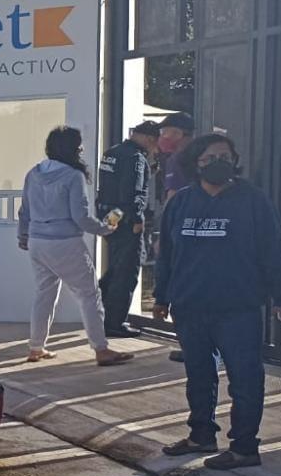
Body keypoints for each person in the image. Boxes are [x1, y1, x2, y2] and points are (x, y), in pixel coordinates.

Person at [154, 134, 281, 470]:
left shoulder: (253, 200)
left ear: (234, 160)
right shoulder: (180, 203)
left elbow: (273, 252)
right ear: (196, 164)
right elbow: (167, 256)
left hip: (237, 308)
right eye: (210, 158)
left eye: (224, 156)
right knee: (199, 375)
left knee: (245, 378)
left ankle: (244, 447)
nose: (218, 163)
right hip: (189, 305)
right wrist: (160, 295)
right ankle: (201, 435)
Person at [19, 126, 134, 366]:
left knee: (44, 294)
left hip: (37, 242)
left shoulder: (33, 173)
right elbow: (80, 217)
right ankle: (101, 349)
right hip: (65, 243)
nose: (82, 148)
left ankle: (36, 348)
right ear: (73, 148)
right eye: (79, 145)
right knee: (89, 295)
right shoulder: (73, 176)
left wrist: (23, 235)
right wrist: (105, 229)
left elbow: (25, 211)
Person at [97, 121, 160, 337]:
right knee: (127, 271)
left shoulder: (112, 152)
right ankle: (115, 323)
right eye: (155, 144)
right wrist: (137, 219)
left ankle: (100, 314)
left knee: (115, 266)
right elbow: (132, 192)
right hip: (126, 219)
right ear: (150, 139)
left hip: (110, 217)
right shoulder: (135, 158)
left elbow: (111, 187)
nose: (155, 149)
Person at [157, 112, 196, 363]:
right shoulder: (202, 156)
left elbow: (172, 199)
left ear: (180, 134)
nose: (163, 138)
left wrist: (164, 235)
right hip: (204, 230)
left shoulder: (177, 160)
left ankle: (190, 344)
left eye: (166, 132)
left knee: (182, 287)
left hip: (182, 230)